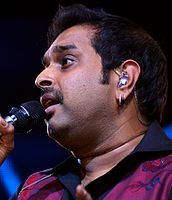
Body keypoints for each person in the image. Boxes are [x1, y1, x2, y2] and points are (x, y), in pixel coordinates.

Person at [0, 3, 172, 200]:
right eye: (46, 66)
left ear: (124, 79)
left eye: (66, 61)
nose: (40, 78)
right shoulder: (34, 191)